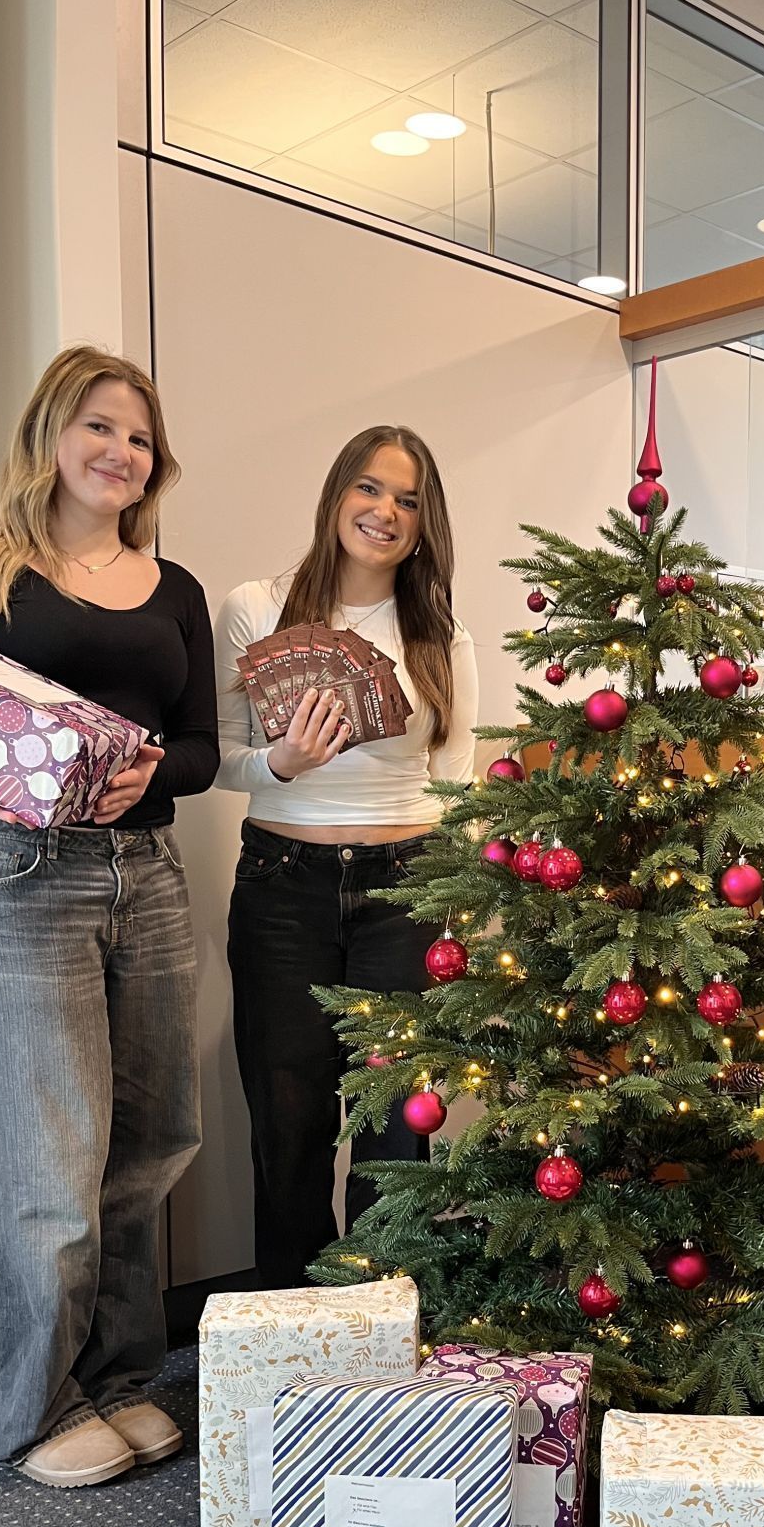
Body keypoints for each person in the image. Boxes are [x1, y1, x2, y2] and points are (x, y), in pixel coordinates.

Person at [0, 345, 218, 1487]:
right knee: (48, 1157)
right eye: (98, 425)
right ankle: (33, 1408)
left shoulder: (173, 587)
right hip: (14, 872)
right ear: (50, 432)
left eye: (137, 435)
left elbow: (199, 743)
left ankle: (120, 1378)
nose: (119, 451)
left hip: (147, 872)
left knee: (148, 1142)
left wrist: (156, 775)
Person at [215, 426, 478, 1287]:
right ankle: (291, 1347)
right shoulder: (258, 606)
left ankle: (377, 1352)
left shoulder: (442, 634)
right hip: (282, 889)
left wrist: (465, 908)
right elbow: (216, 756)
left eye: (408, 500)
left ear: (425, 522)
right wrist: (281, 762)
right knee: (286, 1127)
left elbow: (459, 789)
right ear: (337, 496)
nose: (385, 512)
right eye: (370, 489)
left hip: (407, 894)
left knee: (395, 1136)